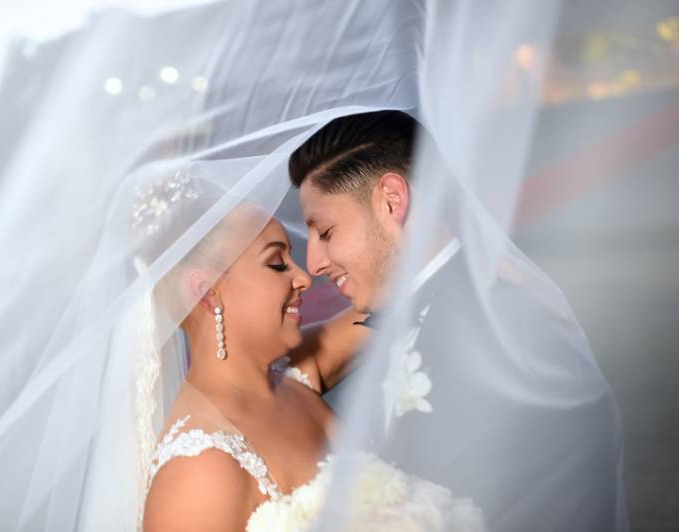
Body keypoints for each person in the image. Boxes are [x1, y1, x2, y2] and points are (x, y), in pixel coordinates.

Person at [288, 110, 628, 532]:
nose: (314, 263)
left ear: (392, 200)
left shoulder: (510, 330)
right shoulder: (425, 315)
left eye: (325, 232)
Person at [139, 197, 484, 531]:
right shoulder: (198, 471)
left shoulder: (299, 371)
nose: (303, 277)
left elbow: (403, 299)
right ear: (207, 291)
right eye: (277, 262)